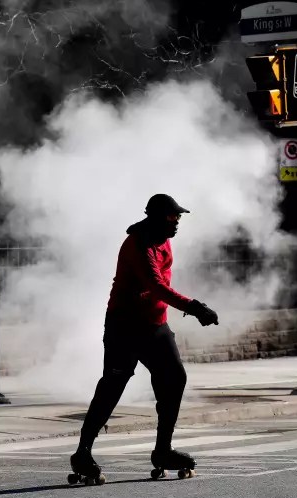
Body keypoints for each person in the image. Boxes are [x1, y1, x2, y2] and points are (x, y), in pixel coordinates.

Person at [70, 194, 219, 481]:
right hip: (124, 325)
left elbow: (160, 290)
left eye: (179, 218)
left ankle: (163, 449)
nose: (177, 223)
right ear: (156, 217)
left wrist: (182, 308)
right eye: (172, 217)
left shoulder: (164, 240)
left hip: (154, 324)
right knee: (113, 384)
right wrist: (194, 307)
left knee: (174, 378)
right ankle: (82, 452)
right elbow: (156, 285)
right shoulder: (138, 244)